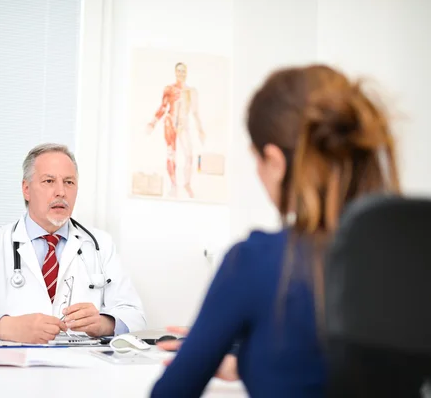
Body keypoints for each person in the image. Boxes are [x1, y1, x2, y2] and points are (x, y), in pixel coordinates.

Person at [151, 64, 400, 397]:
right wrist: (247, 362)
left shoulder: (256, 260)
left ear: (276, 162)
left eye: (257, 158)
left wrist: (206, 351)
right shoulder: (406, 258)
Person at [0, 143, 146, 343]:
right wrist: (4, 326)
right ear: (26, 189)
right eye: (49, 181)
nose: (61, 192)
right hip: (7, 372)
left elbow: (135, 316)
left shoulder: (100, 245)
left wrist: (104, 323)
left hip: (81, 372)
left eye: (69, 182)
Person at [146, 62, 206, 198]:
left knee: (189, 156)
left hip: (184, 125)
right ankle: (173, 184)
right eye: (178, 71)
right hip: (170, 123)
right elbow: (163, 107)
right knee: (171, 154)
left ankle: (187, 184)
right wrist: (153, 122)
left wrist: (200, 129)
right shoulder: (169, 89)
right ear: (175, 72)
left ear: (187, 72)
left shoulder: (192, 91)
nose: (181, 73)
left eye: (183, 71)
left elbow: (195, 113)